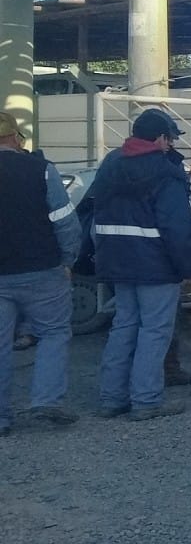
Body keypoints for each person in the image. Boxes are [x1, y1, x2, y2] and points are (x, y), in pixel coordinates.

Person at [90, 109, 191, 420]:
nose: (171, 146)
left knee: (124, 326)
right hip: (156, 265)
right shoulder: (166, 173)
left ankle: (112, 399)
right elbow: (177, 229)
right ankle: (146, 400)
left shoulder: (111, 165)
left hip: (117, 261)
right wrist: (188, 267)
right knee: (154, 331)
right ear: (161, 138)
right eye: (170, 139)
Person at [0, 112, 83, 435]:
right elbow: (65, 220)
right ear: (16, 138)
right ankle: (46, 401)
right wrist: (68, 260)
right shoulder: (41, 170)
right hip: (42, 270)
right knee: (53, 333)